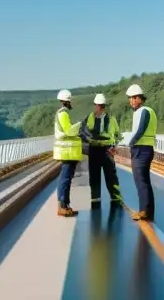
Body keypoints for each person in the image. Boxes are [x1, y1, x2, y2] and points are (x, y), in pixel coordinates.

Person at [80, 93, 123, 209]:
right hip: (101, 150)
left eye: (100, 106)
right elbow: (118, 136)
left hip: (101, 150)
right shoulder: (108, 120)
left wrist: (114, 147)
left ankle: (105, 199)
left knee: (103, 176)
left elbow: (82, 133)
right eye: (100, 106)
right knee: (105, 176)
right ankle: (107, 199)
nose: (100, 108)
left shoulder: (91, 118)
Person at [122, 84, 157, 222]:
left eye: (134, 98)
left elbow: (140, 130)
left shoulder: (144, 111)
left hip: (141, 150)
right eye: (130, 98)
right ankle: (148, 211)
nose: (132, 101)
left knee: (140, 181)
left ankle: (144, 211)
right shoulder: (145, 111)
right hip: (145, 149)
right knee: (145, 182)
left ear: (140, 98)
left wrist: (130, 142)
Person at [53, 89, 82, 217]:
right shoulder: (63, 113)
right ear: (68, 101)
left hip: (68, 151)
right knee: (65, 178)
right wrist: (80, 125)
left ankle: (66, 205)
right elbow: (69, 131)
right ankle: (62, 206)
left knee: (67, 178)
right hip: (67, 151)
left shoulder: (61, 113)